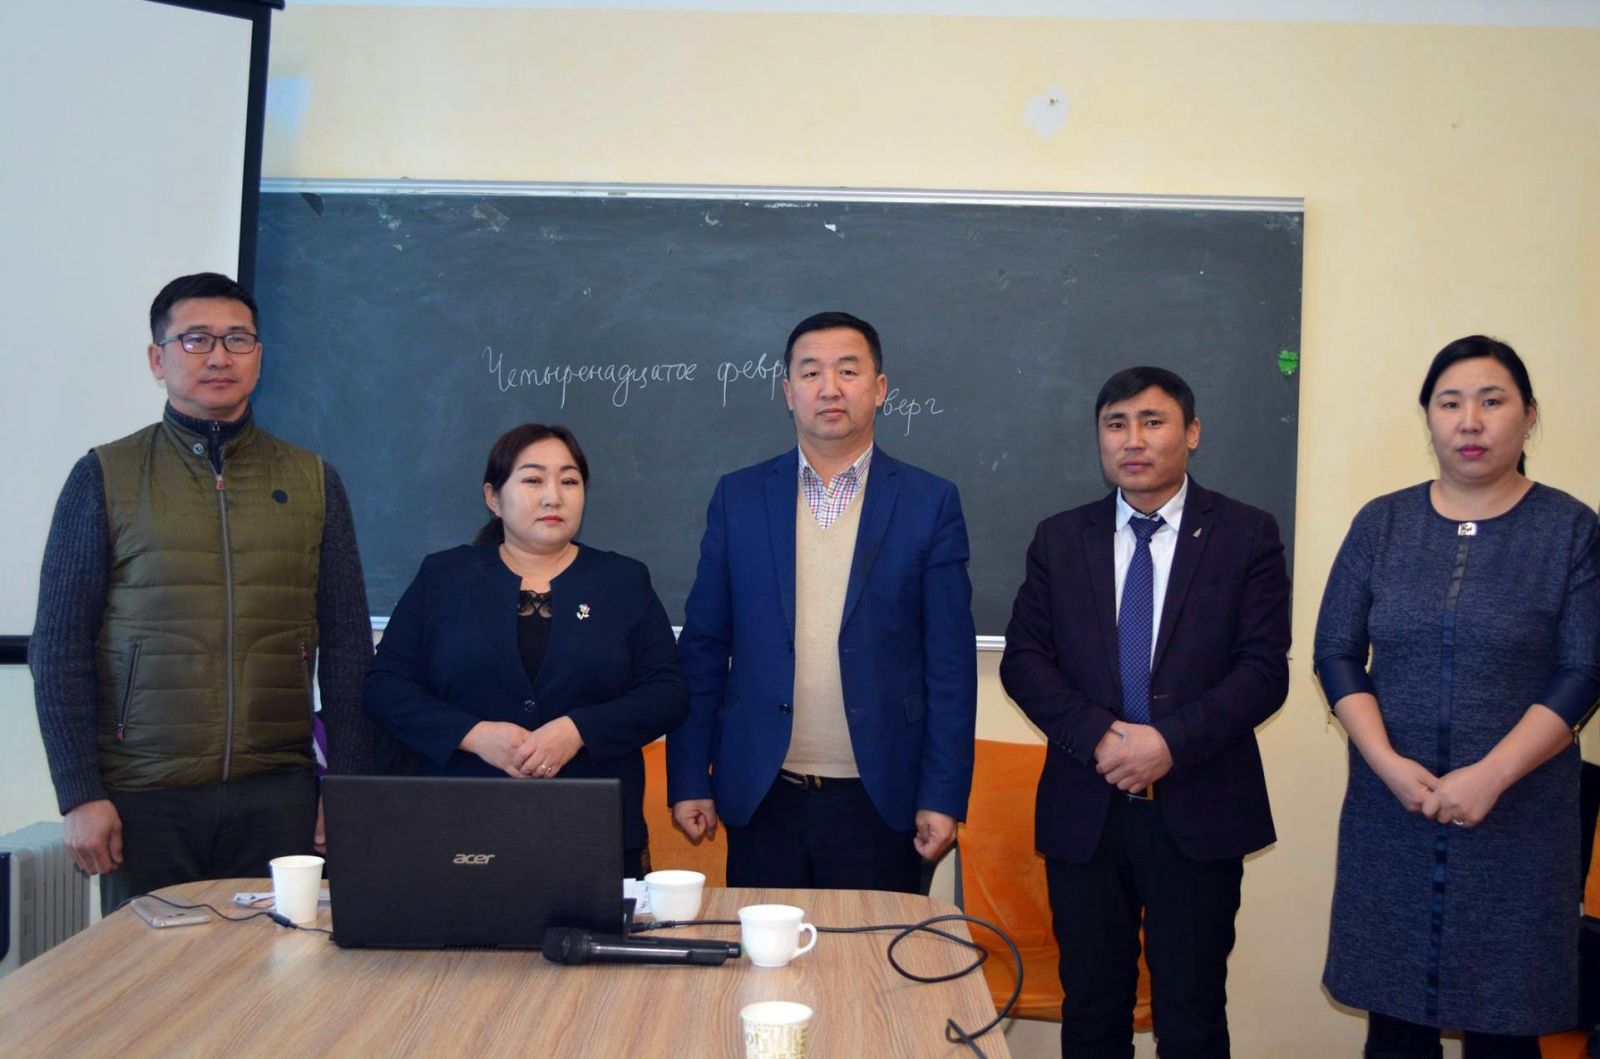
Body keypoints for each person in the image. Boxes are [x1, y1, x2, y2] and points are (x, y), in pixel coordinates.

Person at [30, 272, 377, 914]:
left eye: (237, 339)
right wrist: (79, 792)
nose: (219, 356)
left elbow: (351, 648)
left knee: (280, 970)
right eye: (195, 339)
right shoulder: (104, 476)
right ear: (157, 359)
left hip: (278, 794)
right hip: (144, 797)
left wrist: (346, 787)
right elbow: (58, 649)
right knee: (150, 974)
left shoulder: (312, 480)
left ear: (259, 356)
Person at [1314, 336, 1599, 1058]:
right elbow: (1336, 652)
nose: (1470, 421)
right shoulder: (1382, 523)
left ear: (1529, 416)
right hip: (1393, 810)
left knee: (1505, 1027)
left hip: (1520, 818)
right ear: (1429, 418)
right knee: (1395, 1028)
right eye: (1450, 403)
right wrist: (1385, 763)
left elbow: (1584, 670)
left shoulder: (1571, 529)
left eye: (1491, 401)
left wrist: (1491, 776)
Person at [1000, 366, 1291, 1059]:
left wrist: (1168, 743)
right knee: (1092, 1011)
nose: (1133, 439)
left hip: (1198, 805)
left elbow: (1262, 671)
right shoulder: (1060, 538)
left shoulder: (1245, 534)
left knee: (1191, 1015)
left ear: (1192, 433)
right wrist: (1101, 737)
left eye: (1152, 421)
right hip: (1087, 807)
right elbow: (1024, 661)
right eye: (1116, 424)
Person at [667, 311, 977, 893]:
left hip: (882, 796)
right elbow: (703, 647)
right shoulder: (739, 497)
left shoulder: (928, 502)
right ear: (789, 393)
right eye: (811, 373)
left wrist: (942, 794)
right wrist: (688, 776)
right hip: (762, 794)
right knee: (763, 950)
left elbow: (951, 665)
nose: (829, 388)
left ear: (879, 388)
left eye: (848, 371)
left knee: (873, 952)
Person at [364, 423, 688, 878]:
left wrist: (579, 730)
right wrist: (474, 734)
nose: (553, 497)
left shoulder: (623, 581)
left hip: (592, 825)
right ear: (493, 498)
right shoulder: (444, 577)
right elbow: (385, 687)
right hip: (460, 824)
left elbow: (668, 692)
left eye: (569, 481)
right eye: (533, 480)